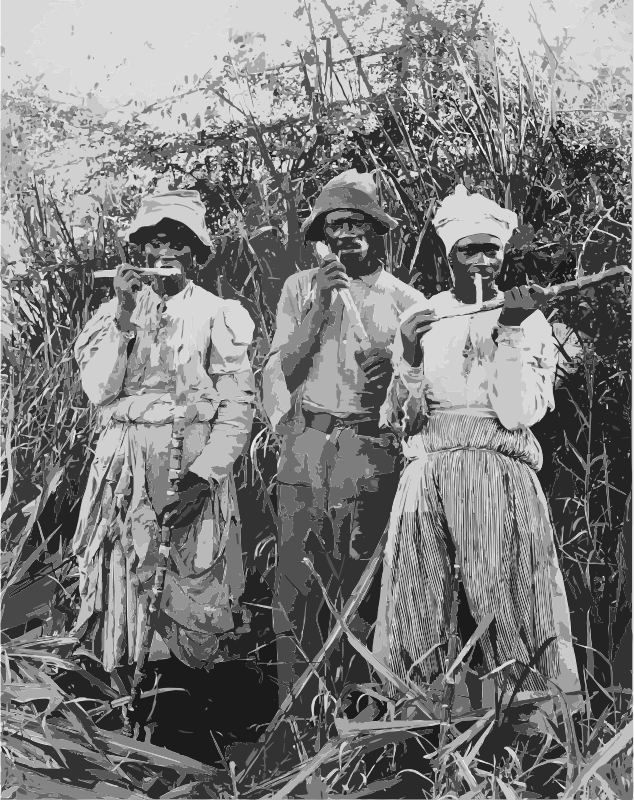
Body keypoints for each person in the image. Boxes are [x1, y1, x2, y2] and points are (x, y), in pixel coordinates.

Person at [373, 184, 580, 713]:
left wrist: (510, 330)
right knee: (425, 599)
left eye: (492, 249)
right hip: (431, 477)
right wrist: (412, 354)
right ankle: (422, 722)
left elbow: (519, 413)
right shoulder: (423, 316)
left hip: (500, 480)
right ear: (450, 255)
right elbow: (406, 419)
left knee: (506, 598)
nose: (483, 260)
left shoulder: (529, 321)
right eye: (470, 250)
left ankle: (531, 722)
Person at [73, 190, 256, 696]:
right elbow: (99, 390)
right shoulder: (115, 314)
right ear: (140, 253)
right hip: (125, 467)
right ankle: (128, 702)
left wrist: (206, 475)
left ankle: (192, 708)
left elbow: (238, 403)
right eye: (153, 242)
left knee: (195, 574)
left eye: (176, 240)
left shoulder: (219, 314)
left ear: (195, 252)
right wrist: (126, 316)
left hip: (193, 466)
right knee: (126, 571)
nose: (164, 252)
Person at [263, 169, 425, 715]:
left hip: (369, 449)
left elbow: (421, 406)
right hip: (305, 445)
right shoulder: (297, 289)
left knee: (363, 582)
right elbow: (280, 373)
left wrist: (395, 378)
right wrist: (318, 306)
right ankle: (295, 719)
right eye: (335, 226)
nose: (346, 235)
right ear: (321, 237)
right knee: (296, 582)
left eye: (358, 224)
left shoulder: (408, 301)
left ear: (377, 232)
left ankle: (360, 722)